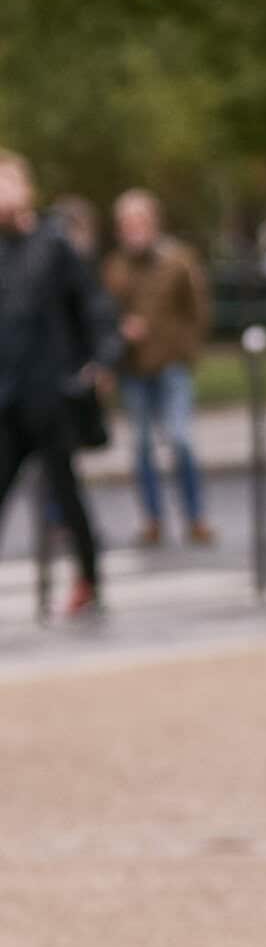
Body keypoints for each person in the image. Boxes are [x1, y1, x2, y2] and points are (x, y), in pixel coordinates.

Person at [0, 149, 116, 618]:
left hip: (49, 394)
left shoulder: (53, 243)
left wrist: (98, 361)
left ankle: (89, 578)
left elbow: (92, 307)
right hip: (6, 396)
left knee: (66, 494)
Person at [101, 190, 213, 547]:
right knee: (142, 447)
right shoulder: (116, 267)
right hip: (134, 368)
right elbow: (102, 315)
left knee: (180, 440)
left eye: (140, 221)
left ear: (153, 223)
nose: (134, 230)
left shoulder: (178, 261)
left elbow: (198, 311)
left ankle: (196, 517)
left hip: (171, 365)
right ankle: (152, 519)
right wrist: (120, 331)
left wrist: (187, 351)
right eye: (127, 223)